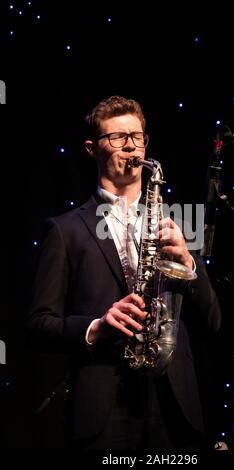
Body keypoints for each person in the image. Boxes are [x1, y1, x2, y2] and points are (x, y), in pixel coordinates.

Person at [28, 95, 221, 451]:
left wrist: (189, 264)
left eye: (137, 135)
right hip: (105, 404)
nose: (131, 144)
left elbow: (212, 320)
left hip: (173, 403)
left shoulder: (177, 224)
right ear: (92, 148)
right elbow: (39, 324)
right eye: (117, 137)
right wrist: (96, 326)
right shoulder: (64, 230)